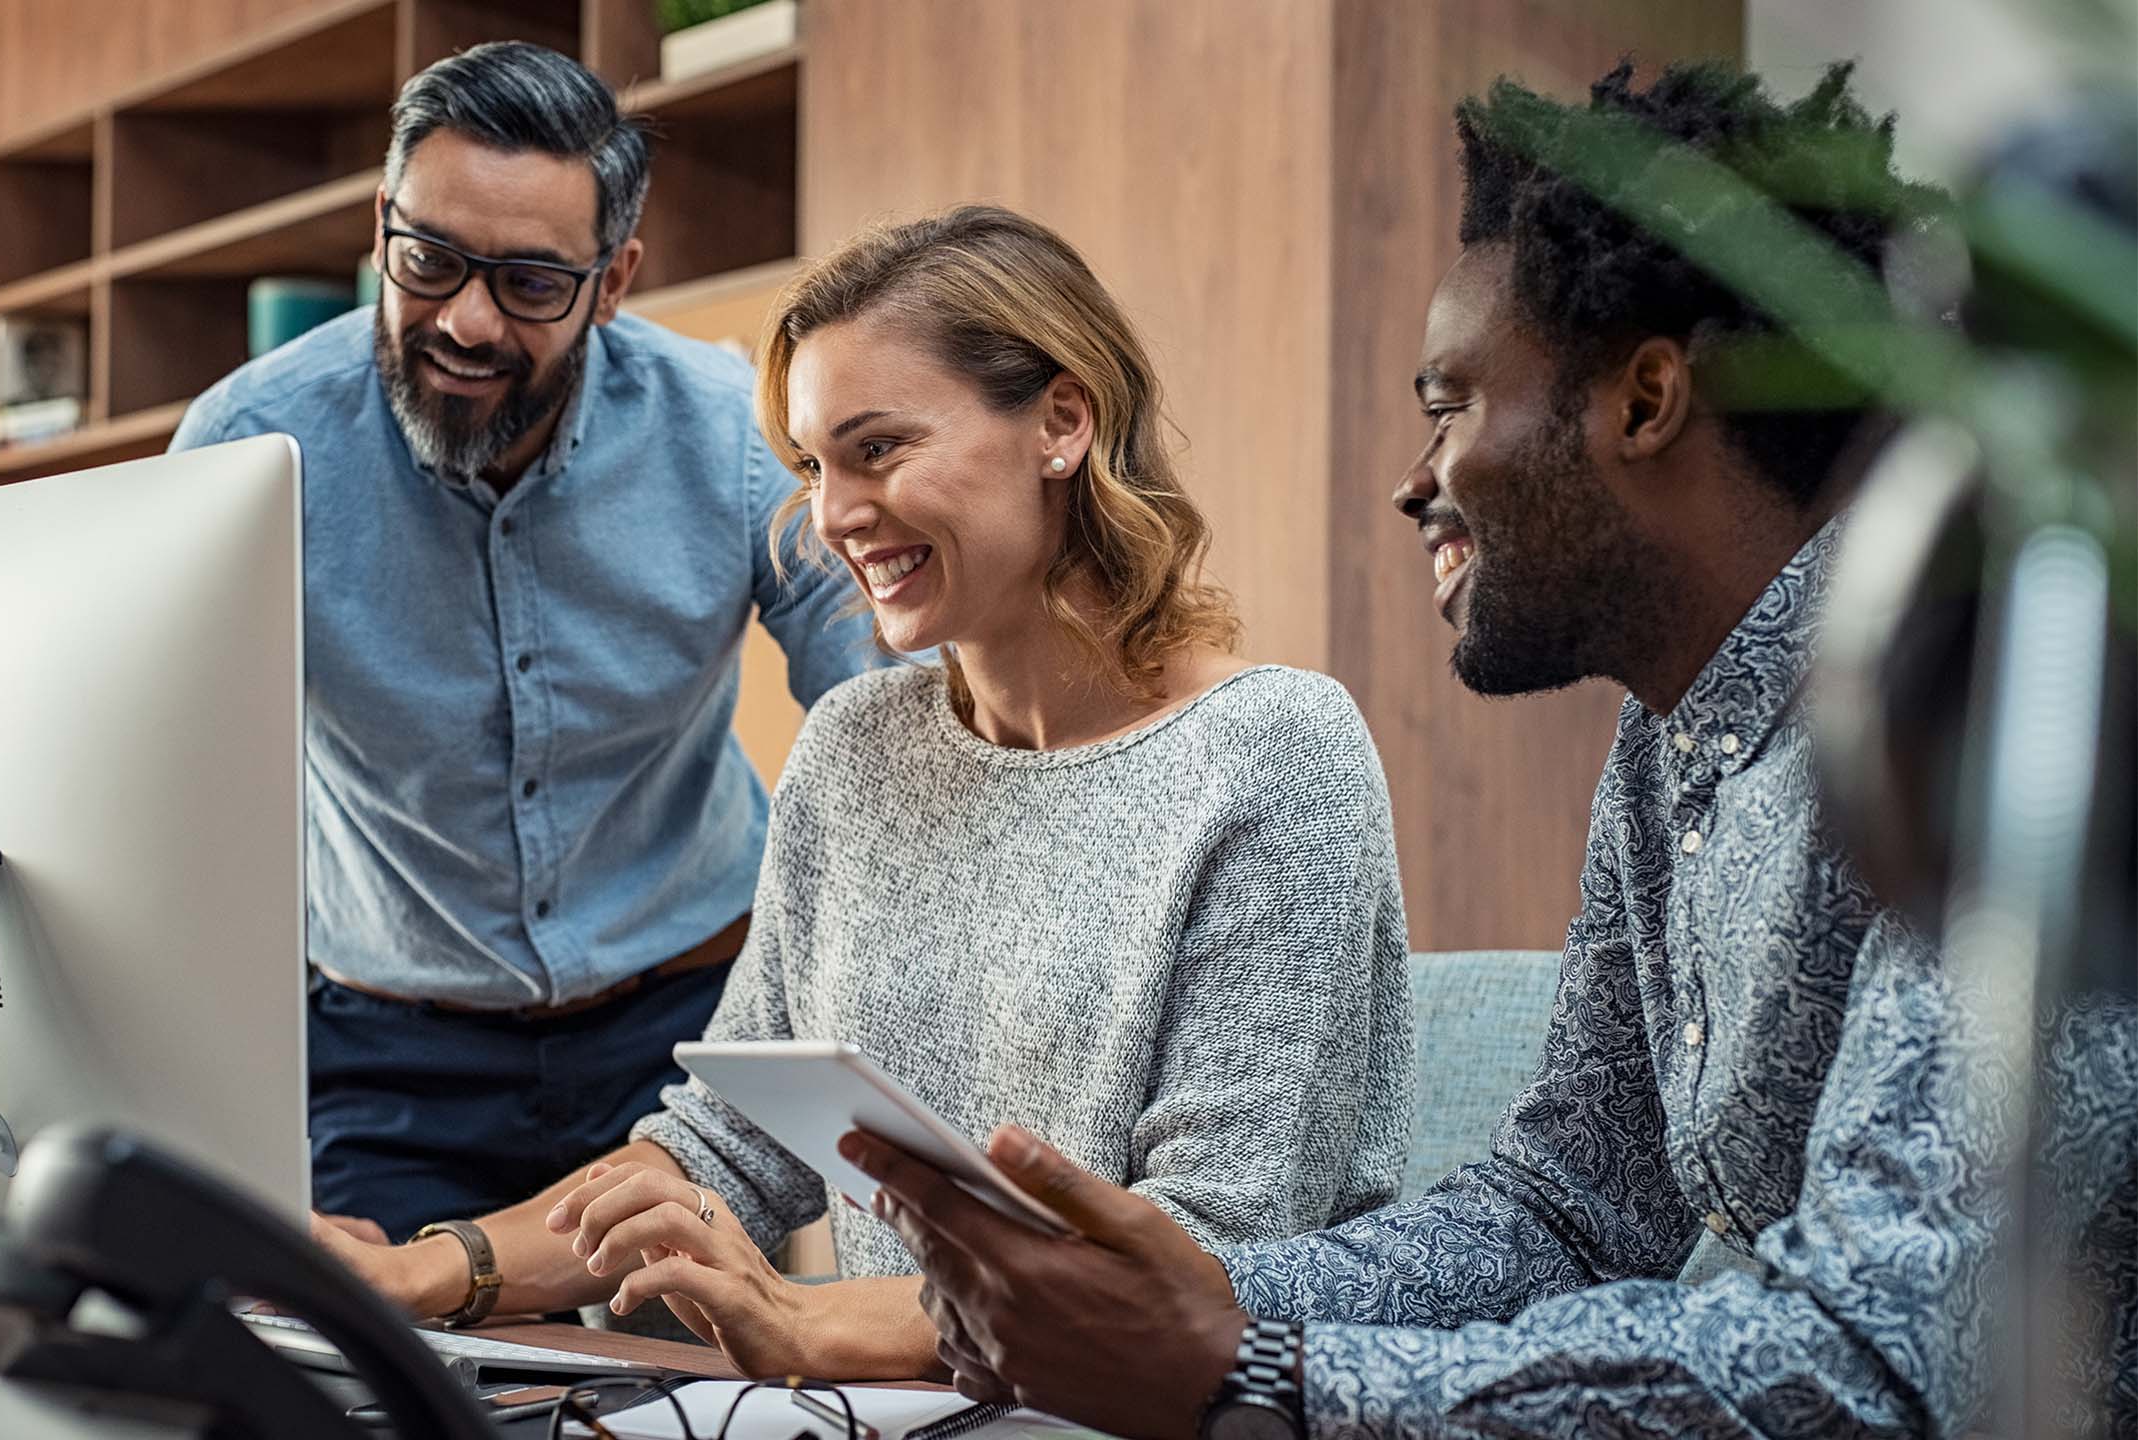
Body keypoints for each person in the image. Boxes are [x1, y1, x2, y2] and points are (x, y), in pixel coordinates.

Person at [847, 62, 2136, 1436]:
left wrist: (1253, 1377)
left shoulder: (1986, 703)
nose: (1415, 479)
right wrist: (1196, 1298)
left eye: (1448, 403)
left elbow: (1874, 1362)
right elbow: (1567, 1214)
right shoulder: (1667, 750)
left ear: (1642, 402)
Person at [312, 204, 1414, 1381]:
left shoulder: (1277, 753)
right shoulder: (853, 748)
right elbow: (723, 1149)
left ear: (1061, 421)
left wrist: (811, 1321)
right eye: (812, 466)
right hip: (906, 1403)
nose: (832, 516)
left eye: (878, 449)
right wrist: (433, 1271)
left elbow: (1210, 1258)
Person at [166, 42, 882, 1253]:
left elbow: (887, 707)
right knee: (381, 1385)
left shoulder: (727, 437)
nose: (464, 320)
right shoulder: (246, 450)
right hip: (393, 1052)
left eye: (532, 284)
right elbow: (166, 788)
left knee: (692, 1400)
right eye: (430, 260)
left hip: (688, 1030)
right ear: (381, 221)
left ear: (614, 282)